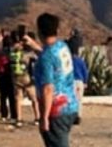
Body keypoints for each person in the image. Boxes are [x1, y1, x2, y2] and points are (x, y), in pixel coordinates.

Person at [34, 13, 79, 147]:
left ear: (39, 31)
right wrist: (33, 45)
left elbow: (48, 89)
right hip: (70, 105)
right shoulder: (62, 46)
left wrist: (44, 117)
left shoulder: (46, 57)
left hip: (56, 111)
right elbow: (50, 56)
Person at [8, 28, 41, 126]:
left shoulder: (12, 51)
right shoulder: (28, 53)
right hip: (27, 77)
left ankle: (19, 119)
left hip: (15, 77)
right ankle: (37, 117)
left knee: (18, 98)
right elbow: (39, 54)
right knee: (34, 98)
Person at [0, 30, 18, 123]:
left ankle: (4, 114)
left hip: (1, 74)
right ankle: (14, 115)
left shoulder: (1, 51)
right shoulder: (14, 50)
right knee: (12, 96)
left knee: (3, 96)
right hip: (11, 74)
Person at [68, 37, 88, 124]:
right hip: (79, 82)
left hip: (70, 82)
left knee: (70, 99)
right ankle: (78, 116)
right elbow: (85, 71)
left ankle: (71, 115)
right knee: (79, 100)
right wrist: (85, 81)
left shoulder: (68, 61)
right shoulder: (80, 61)